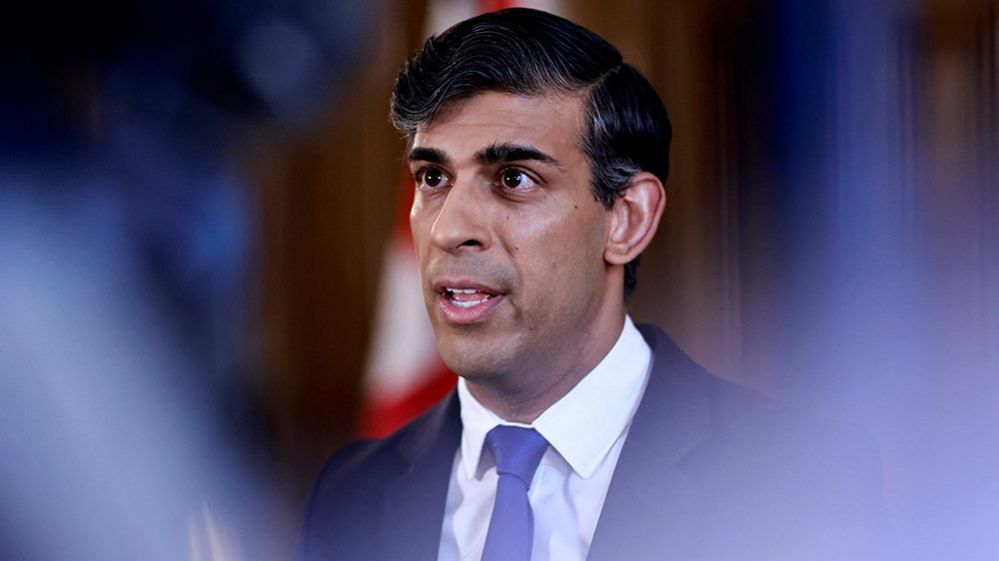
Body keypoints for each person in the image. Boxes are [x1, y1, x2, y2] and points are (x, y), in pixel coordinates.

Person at [296, 8, 894, 561]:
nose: (450, 228)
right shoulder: (349, 494)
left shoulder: (801, 480)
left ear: (627, 218)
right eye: (432, 177)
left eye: (513, 178)